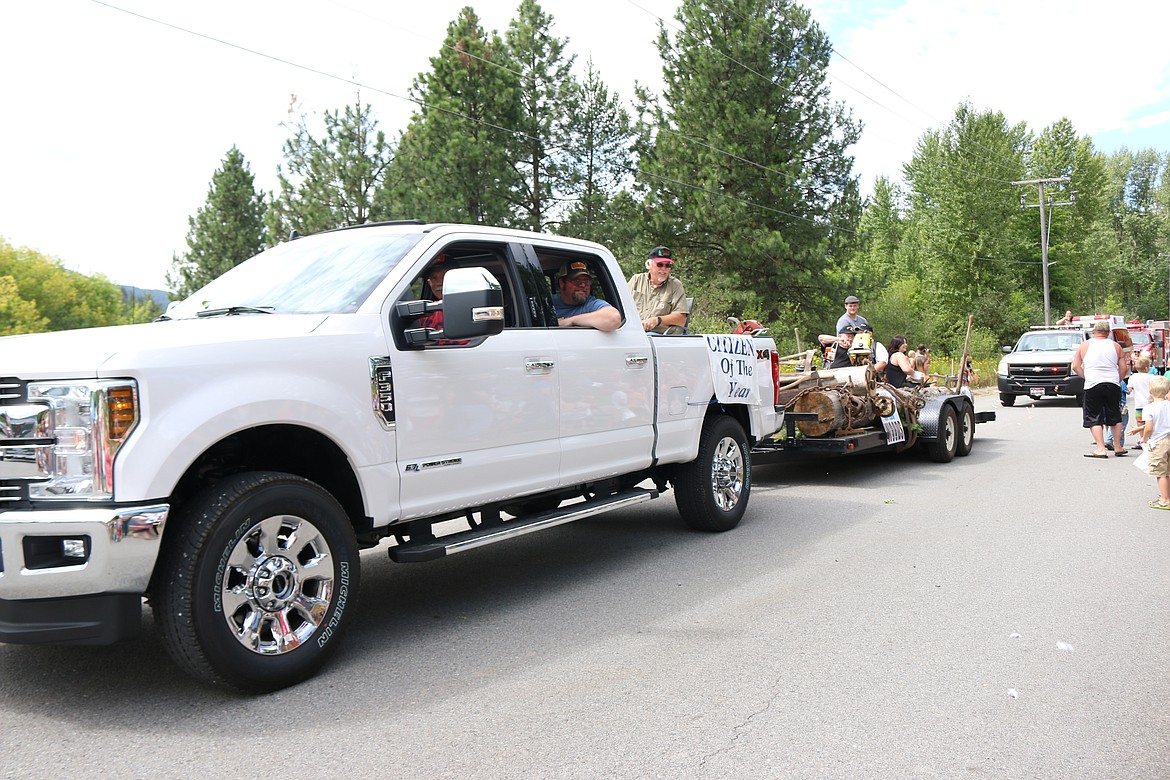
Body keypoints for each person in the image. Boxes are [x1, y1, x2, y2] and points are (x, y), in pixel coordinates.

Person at [1073, 320, 1128, 458]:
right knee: (1114, 414)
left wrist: (1086, 376)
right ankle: (1118, 446)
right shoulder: (1116, 346)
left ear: (1093, 332)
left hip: (1093, 383)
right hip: (1112, 383)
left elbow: (1075, 366)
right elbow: (1124, 368)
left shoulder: (1084, 345)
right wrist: (1117, 379)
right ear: (1108, 333)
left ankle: (1101, 448)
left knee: (1094, 416)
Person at [628, 246, 688, 333]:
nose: (664, 269)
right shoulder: (636, 280)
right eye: (659, 264)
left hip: (658, 338)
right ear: (649, 265)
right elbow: (619, 304)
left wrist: (657, 320)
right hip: (633, 332)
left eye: (668, 265)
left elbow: (681, 319)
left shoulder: (675, 285)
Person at [554, 260, 621, 332]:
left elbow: (613, 318)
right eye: (577, 281)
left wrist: (570, 321)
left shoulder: (591, 305)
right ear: (562, 283)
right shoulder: (548, 302)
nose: (583, 285)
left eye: (586, 281)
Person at [1135, 375, 1170, 509]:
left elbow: (1149, 427)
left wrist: (1144, 438)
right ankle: (1167, 496)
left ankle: (1164, 499)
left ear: (1150, 392)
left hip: (1158, 442)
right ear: (1167, 391)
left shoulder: (1149, 408)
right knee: (1168, 470)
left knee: (1160, 472)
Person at [1128, 355, 1154, 451]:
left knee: (1140, 422)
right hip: (1150, 404)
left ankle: (1142, 439)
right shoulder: (1151, 377)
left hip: (1139, 405)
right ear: (1147, 368)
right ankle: (1150, 438)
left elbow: (1129, 390)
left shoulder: (1133, 377)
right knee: (1150, 422)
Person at [1105, 377, 1129, 451]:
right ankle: (1119, 445)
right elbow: (1127, 391)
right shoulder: (1121, 382)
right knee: (1122, 424)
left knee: (1112, 423)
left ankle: (1109, 439)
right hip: (1121, 406)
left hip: (1111, 405)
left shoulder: (1108, 381)